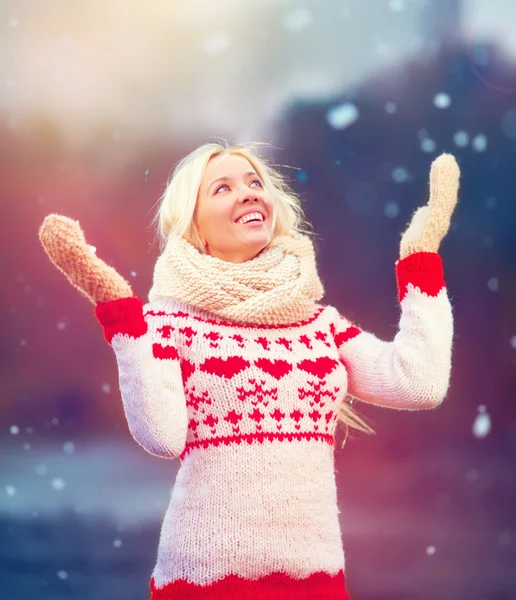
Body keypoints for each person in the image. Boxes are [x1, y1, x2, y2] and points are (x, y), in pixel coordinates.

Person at [38, 140, 459, 599]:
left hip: (316, 584)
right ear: (193, 226)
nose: (249, 193)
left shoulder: (319, 323)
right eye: (222, 188)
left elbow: (420, 383)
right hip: (203, 584)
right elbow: (161, 435)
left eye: (255, 182)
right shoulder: (167, 322)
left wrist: (420, 257)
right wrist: (122, 316)